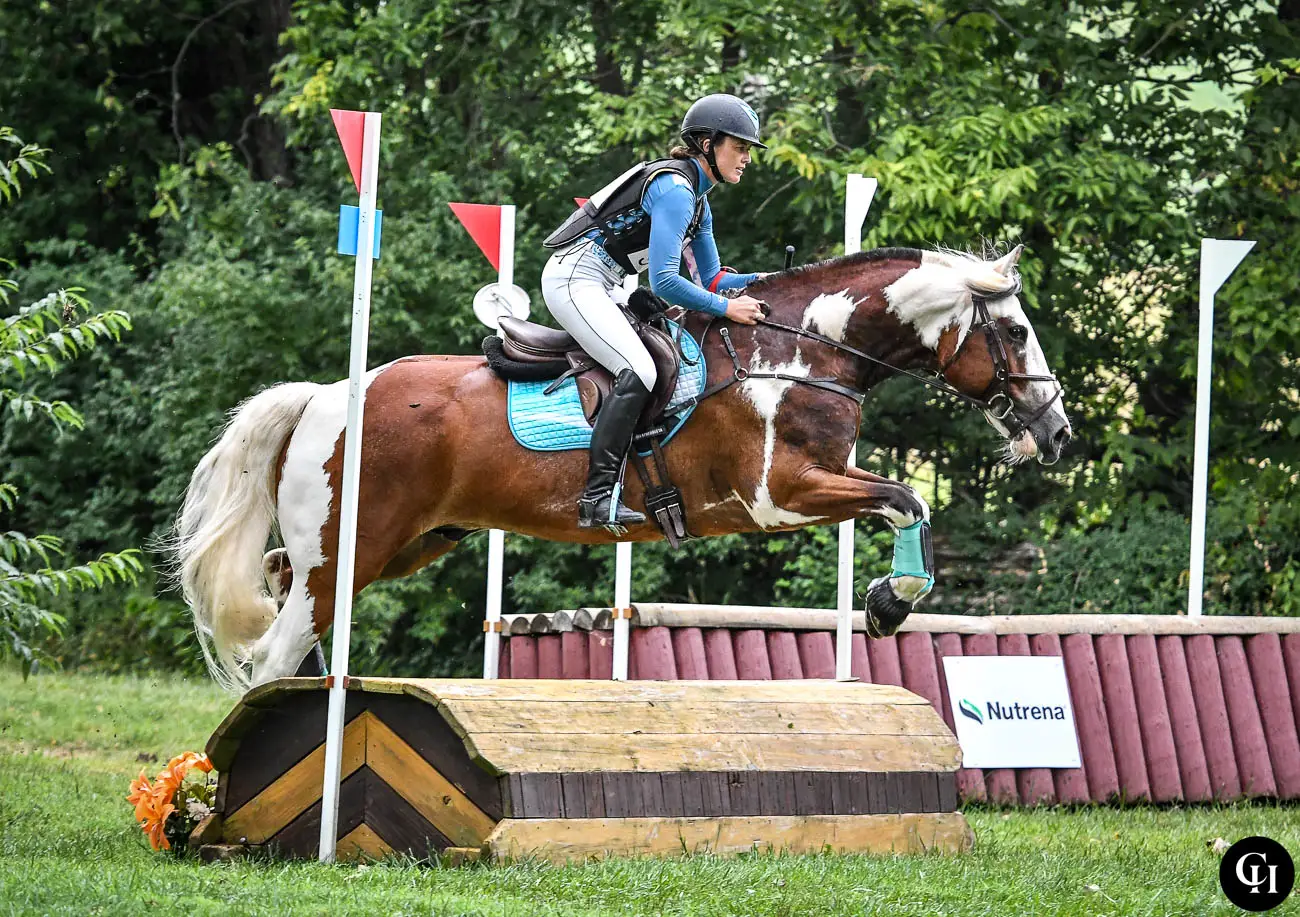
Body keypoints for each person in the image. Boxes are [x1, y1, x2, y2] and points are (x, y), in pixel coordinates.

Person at [541, 93, 768, 531]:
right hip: (576, 278)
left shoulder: (698, 200)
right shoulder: (676, 190)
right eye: (739, 147)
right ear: (707, 143)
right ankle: (597, 496)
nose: (746, 159)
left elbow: (713, 279)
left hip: (606, 282)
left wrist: (767, 282)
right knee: (640, 370)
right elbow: (665, 282)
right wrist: (727, 308)